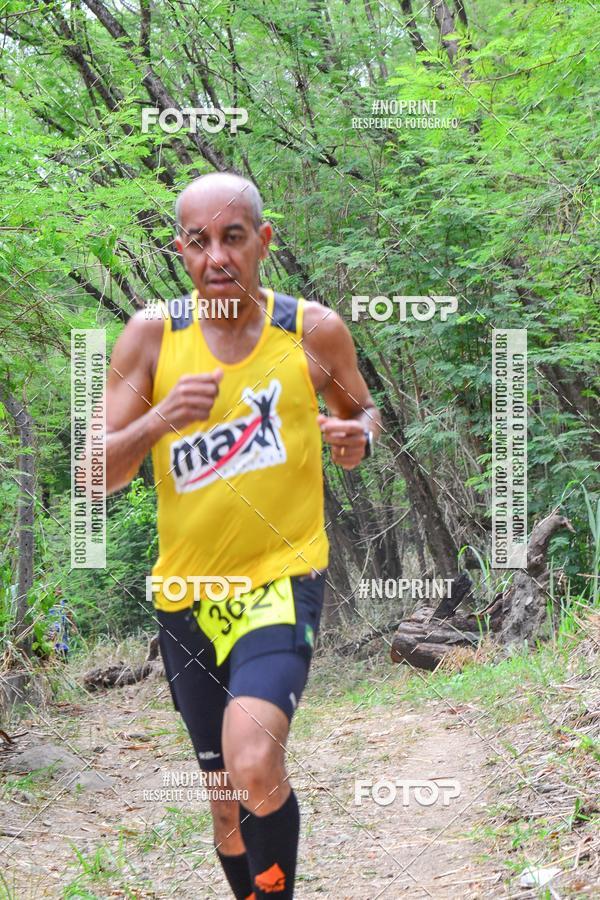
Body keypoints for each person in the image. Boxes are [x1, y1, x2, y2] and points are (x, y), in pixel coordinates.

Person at [105, 172, 381, 898]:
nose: (217, 257)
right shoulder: (151, 337)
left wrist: (359, 438)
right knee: (225, 799)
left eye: (234, 238)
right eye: (199, 243)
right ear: (181, 251)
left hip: (281, 578)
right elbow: (95, 474)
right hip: (185, 594)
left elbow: (362, 410)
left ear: (264, 241)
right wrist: (161, 417)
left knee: (254, 760)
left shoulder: (311, 330)